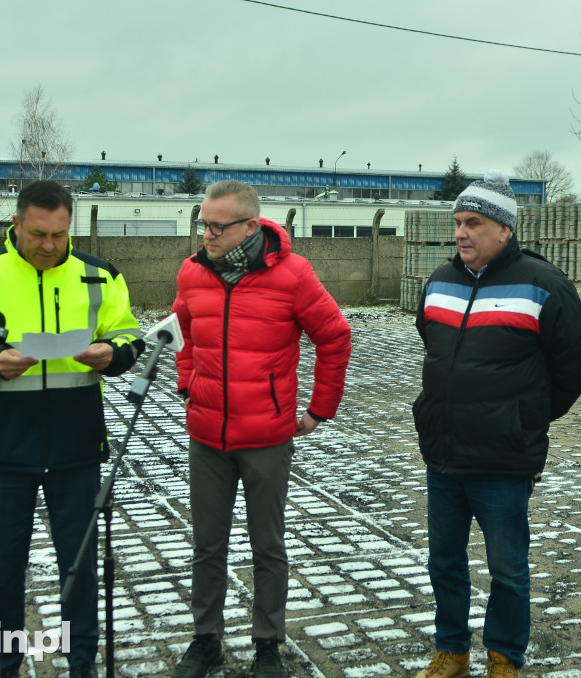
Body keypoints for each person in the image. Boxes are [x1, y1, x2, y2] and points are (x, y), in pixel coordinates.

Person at [0, 180, 144, 678]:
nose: (49, 245)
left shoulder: (100, 276)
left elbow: (129, 333)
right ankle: (5, 665)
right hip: (2, 444)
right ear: (16, 224)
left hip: (77, 445)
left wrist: (112, 355)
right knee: (3, 573)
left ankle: (83, 665)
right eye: (38, 234)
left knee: (81, 569)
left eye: (60, 235)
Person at [413, 170, 581, 678]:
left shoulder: (544, 285)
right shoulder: (440, 280)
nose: (461, 233)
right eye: (457, 222)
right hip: (445, 454)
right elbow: (431, 343)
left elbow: (577, 363)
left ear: (504, 230)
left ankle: (504, 657)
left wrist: (526, 417)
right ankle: (451, 650)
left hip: (503, 459)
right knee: (444, 562)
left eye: (472, 222)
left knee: (509, 570)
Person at [169, 180, 351, 678]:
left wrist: (319, 409)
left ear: (250, 226)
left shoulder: (293, 275)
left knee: (267, 546)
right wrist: (189, 382)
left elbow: (334, 336)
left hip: (267, 439)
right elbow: (182, 331)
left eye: (216, 225)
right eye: (202, 222)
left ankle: (267, 646)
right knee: (207, 544)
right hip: (207, 436)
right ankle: (205, 641)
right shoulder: (192, 273)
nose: (205, 233)